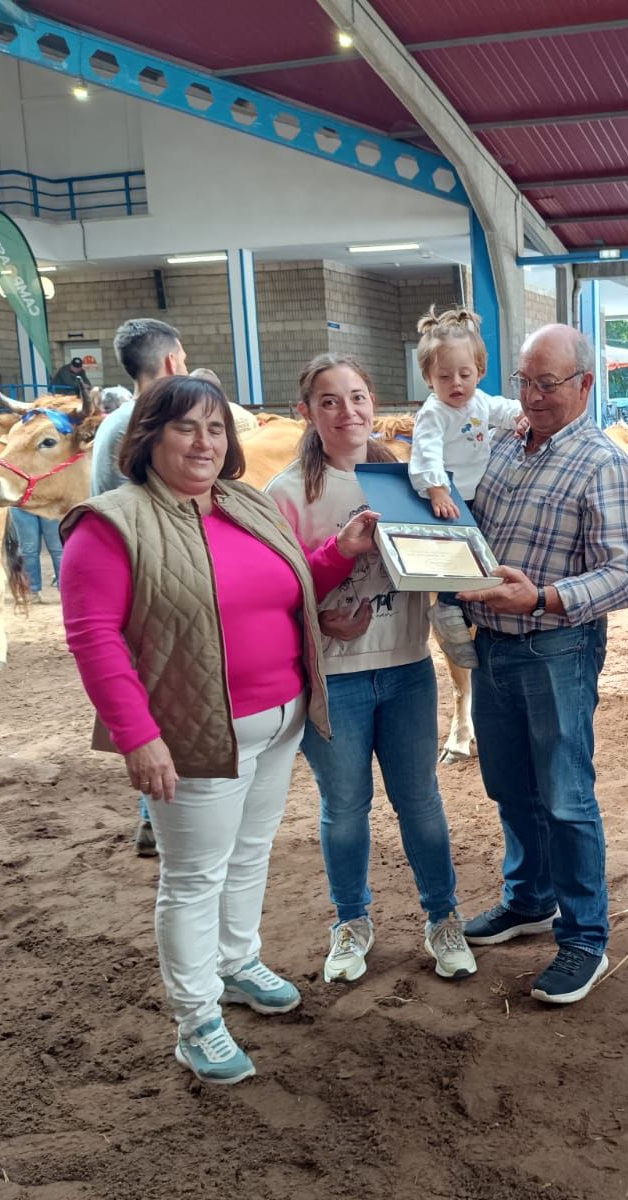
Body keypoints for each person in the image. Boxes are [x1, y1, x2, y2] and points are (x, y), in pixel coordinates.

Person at [59, 374, 380, 1084]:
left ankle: (237, 964)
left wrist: (339, 553)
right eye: (185, 429)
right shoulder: (110, 524)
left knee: (249, 852)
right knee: (194, 875)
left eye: (215, 429)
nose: (204, 443)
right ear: (148, 437)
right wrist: (139, 736)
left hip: (280, 717)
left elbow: (290, 584)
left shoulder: (239, 502)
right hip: (195, 729)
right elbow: (94, 639)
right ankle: (196, 1015)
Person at [267, 353, 476, 985]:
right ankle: (351, 921)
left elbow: (446, 556)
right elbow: (276, 588)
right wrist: (318, 619)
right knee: (345, 808)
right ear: (307, 413)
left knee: (421, 804)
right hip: (336, 680)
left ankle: (443, 918)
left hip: (408, 667)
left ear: (374, 402)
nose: (347, 411)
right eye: (329, 401)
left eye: (356, 397)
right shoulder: (287, 493)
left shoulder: (411, 478)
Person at [458, 324, 628, 1007]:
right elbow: (476, 529)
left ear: (586, 386)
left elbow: (625, 577)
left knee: (566, 797)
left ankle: (586, 938)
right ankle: (529, 898)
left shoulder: (605, 465)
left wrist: (542, 596)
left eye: (548, 384)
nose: (531, 397)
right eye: (526, 382)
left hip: (557, 648)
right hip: (493, 645)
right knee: (510, 786)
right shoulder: (508, 445)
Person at [92, 318, 187, 856]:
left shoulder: (113, 424)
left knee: (151, 695)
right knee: (169, 700)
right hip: (160, 580)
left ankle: (152, 815)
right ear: (173, 361)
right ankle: (158, 814)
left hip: (129, 580)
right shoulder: (160, 421)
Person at [407, 307, 522, 670]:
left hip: (479, 490)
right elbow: (425, 452)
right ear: (428, 378)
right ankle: (447, 606)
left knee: (480, 550)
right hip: (451, 494)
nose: (455, 383)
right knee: (457, 552)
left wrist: (523, 419)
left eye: (464, 374)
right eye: (444, 376)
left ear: (480, 372)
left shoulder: (480, 402)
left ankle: (465, 608)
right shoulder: (433, 413)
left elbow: (506, 410)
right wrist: (437, 489)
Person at [10, 508, 62, 602]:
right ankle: (32, 591)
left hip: (50, 501)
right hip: (22, 503)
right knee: (28, 550)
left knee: (58, 550)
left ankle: (65, 589)